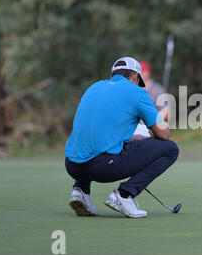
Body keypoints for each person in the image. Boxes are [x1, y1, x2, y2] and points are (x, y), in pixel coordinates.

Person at [64, 57, 179, 218]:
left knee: (91, 142)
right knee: (170, 149)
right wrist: (159, 118)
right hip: (101, 168)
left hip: (72, 165)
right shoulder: (138, 92)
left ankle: (80, 190)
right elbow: (163, 134)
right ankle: (124, 195)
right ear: (135, 77)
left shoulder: (94, 87)